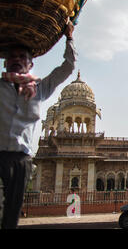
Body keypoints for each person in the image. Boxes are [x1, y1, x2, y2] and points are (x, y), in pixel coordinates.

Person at [0, 22, 76, 229]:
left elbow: (67, 67)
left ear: (30, 64)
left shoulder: (39, 89)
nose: (17, 60)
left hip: (21, 158)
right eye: (12, 57)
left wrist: (69, 38)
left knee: (11, 214)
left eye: (22, 57)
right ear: (5, 62)